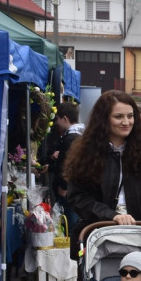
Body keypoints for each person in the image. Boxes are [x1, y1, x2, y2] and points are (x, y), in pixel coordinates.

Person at [64, 90, 141, 261]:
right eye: (118, 117)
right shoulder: (86, 154)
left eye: (130, 116)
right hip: (99, 237)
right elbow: (78, 196)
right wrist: (111, 215)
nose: (126, 122)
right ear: (104, 119)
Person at [49, 101, 84, 237]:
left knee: (69, 225)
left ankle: (71, 254)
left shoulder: (71, 138)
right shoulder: (81, 135)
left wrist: (64, 186)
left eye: (57, 119)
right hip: (77, 189)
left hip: (70, 191)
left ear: (64, 119)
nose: (56, 123)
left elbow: (69, 165)